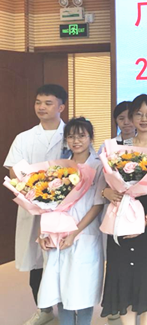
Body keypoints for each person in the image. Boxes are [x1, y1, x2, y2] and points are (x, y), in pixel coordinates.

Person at [100, 94, 147, 325]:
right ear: (131, 117)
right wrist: (106, 193)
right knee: (122, 272)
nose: (144, 119)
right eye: (138, 114)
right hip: (120, 215)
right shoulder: (117, 147)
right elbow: (105, 183)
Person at [4, 84, 70, 325]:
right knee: (37, 263)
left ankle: (68, 310)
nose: (41, 107)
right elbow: (14, 170)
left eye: (48, 103)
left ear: (61, 107)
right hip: (33, 209)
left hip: (64, 210)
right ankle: (44, 310)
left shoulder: (71, 134)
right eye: (38, 102)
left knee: (64, 261)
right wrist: (35, 193)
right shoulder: (24, 138)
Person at [37, 118, 105, 325]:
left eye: (82, 136)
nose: (76, 141)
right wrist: (44, 233)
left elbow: (97, 205)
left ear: (90, 138)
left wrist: (74, 232)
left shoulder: (99, 166)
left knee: (83, 287)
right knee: (59, 287)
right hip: (58, 233)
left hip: (85, 233)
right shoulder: (59, 167)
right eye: (71, 136)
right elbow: (45, 204)